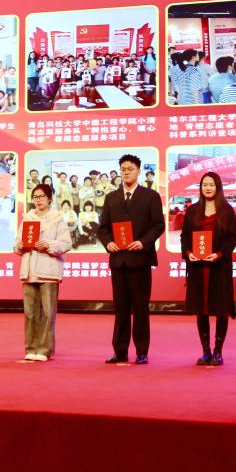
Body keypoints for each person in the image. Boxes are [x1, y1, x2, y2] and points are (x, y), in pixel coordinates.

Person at [97, 154, 166, 365]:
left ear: (138, 171)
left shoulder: (151, 196)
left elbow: (158, 225)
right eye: (123, 169)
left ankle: (142, 352)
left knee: (141, 308)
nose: (126, 172)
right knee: (121, 309)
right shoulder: (111, 197)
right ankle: (120, 351)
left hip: (140, 260)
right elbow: (103, 228)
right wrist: (108, 242)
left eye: (130, 169)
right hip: (119, 260)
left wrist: (144, 242)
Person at [180, 172, 236, 366]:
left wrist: (219, 254)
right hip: (198, 267)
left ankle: (218, 351)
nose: (207, 188)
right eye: (204, 184)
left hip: (219, 266)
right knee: (201, 309)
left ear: (218, 187)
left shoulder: (227, 210)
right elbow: (185, 236)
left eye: (211, 185)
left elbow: (233, 237)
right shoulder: (193, 210)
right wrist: (188, 252)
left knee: (221, 309)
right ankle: (206, 351)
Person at [15, 183, 73, 362]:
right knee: (30, 313)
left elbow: (66, 244)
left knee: (48, 313)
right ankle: (31, 347)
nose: (38, 200)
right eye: (35, 197)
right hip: (29, 270)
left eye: (41, 196)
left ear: (49, 199)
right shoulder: (27, 218)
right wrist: (20, 245)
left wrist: (49, 245)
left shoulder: (57, 219)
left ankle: (44, 349)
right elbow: (16, 244)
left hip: (49, 271)